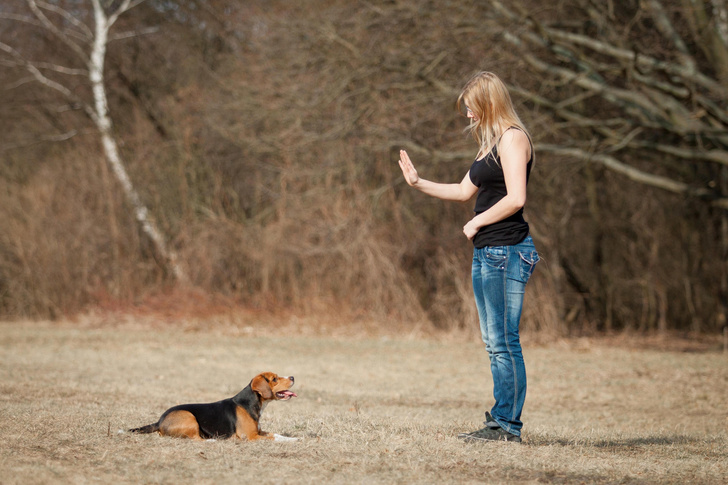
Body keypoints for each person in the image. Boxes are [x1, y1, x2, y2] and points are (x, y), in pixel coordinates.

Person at [397, 71, 540, 443]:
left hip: (506, 250)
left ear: (488, 103)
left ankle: (507, 425)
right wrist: (418, 182)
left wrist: (477, 222)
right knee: (493, 341)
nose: (467, 115)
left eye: (471, 108)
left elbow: (516, 198)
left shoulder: (513, 140)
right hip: (488, 252)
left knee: (504, 340)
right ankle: (500, 420)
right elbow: (463, 190)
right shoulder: (490, 144)